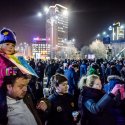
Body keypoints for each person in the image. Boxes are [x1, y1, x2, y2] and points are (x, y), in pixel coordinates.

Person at [0, 28, 18, 125]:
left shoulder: (12, 58)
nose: (10, 47)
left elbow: (15, 71)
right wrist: (8, 71)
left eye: (13, 45)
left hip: (8, 86)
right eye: (7, 44)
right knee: (2, 105)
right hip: (1, 86)